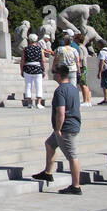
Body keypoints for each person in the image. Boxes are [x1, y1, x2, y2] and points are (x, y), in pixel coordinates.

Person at [30, 64, 83, 195]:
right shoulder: (73, 88)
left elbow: (61, 112)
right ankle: (48, 172)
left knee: (72, 156)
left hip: (65, 128)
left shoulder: (60, 91)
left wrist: (58, 129)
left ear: (59, 75)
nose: (53, 74)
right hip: (72, 124)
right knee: (49, 144)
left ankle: (76, 186)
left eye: (54, 72)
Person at [21, 32, 48, 108]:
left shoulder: (26, 49)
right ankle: (38, 103)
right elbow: (43, 60)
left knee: (28, 85)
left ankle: (29, 103)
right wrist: (44, 69)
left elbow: (22, 60)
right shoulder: (40, 49)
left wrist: (21, 70)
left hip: (28, 68)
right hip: (37, 68)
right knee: (39, 85)